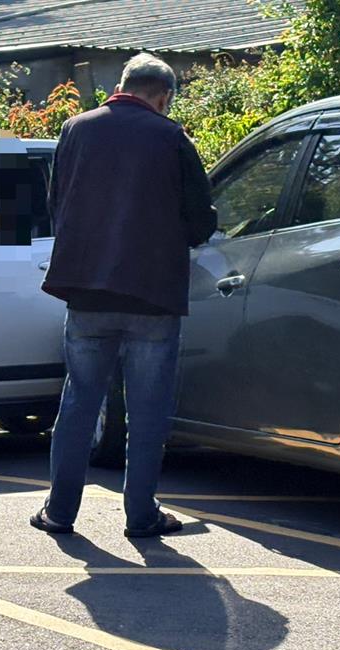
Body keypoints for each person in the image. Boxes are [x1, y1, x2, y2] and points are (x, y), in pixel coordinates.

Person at [31, 53, 217, 538]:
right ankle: (141, 515)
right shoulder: (172, 137)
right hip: (152, 296)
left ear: (122, 85)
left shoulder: (74, 129)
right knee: (148, 410)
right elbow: (201, 222)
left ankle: (59, 512)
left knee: (79, 403)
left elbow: (57, 203)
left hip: (87, 292)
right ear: (164, 97)